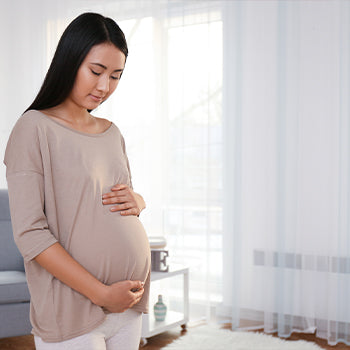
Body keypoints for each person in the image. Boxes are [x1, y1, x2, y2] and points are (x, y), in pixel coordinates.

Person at [3, 12, 151, 350]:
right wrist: (102, 294)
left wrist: (139, 201)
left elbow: (113, 202)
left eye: (116, 76)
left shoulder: (112, 134)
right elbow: (30, 233)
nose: (104, 87)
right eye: (96, 71)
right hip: (72, 311)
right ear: (69, 61)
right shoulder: (34, 128)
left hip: (127, 303)